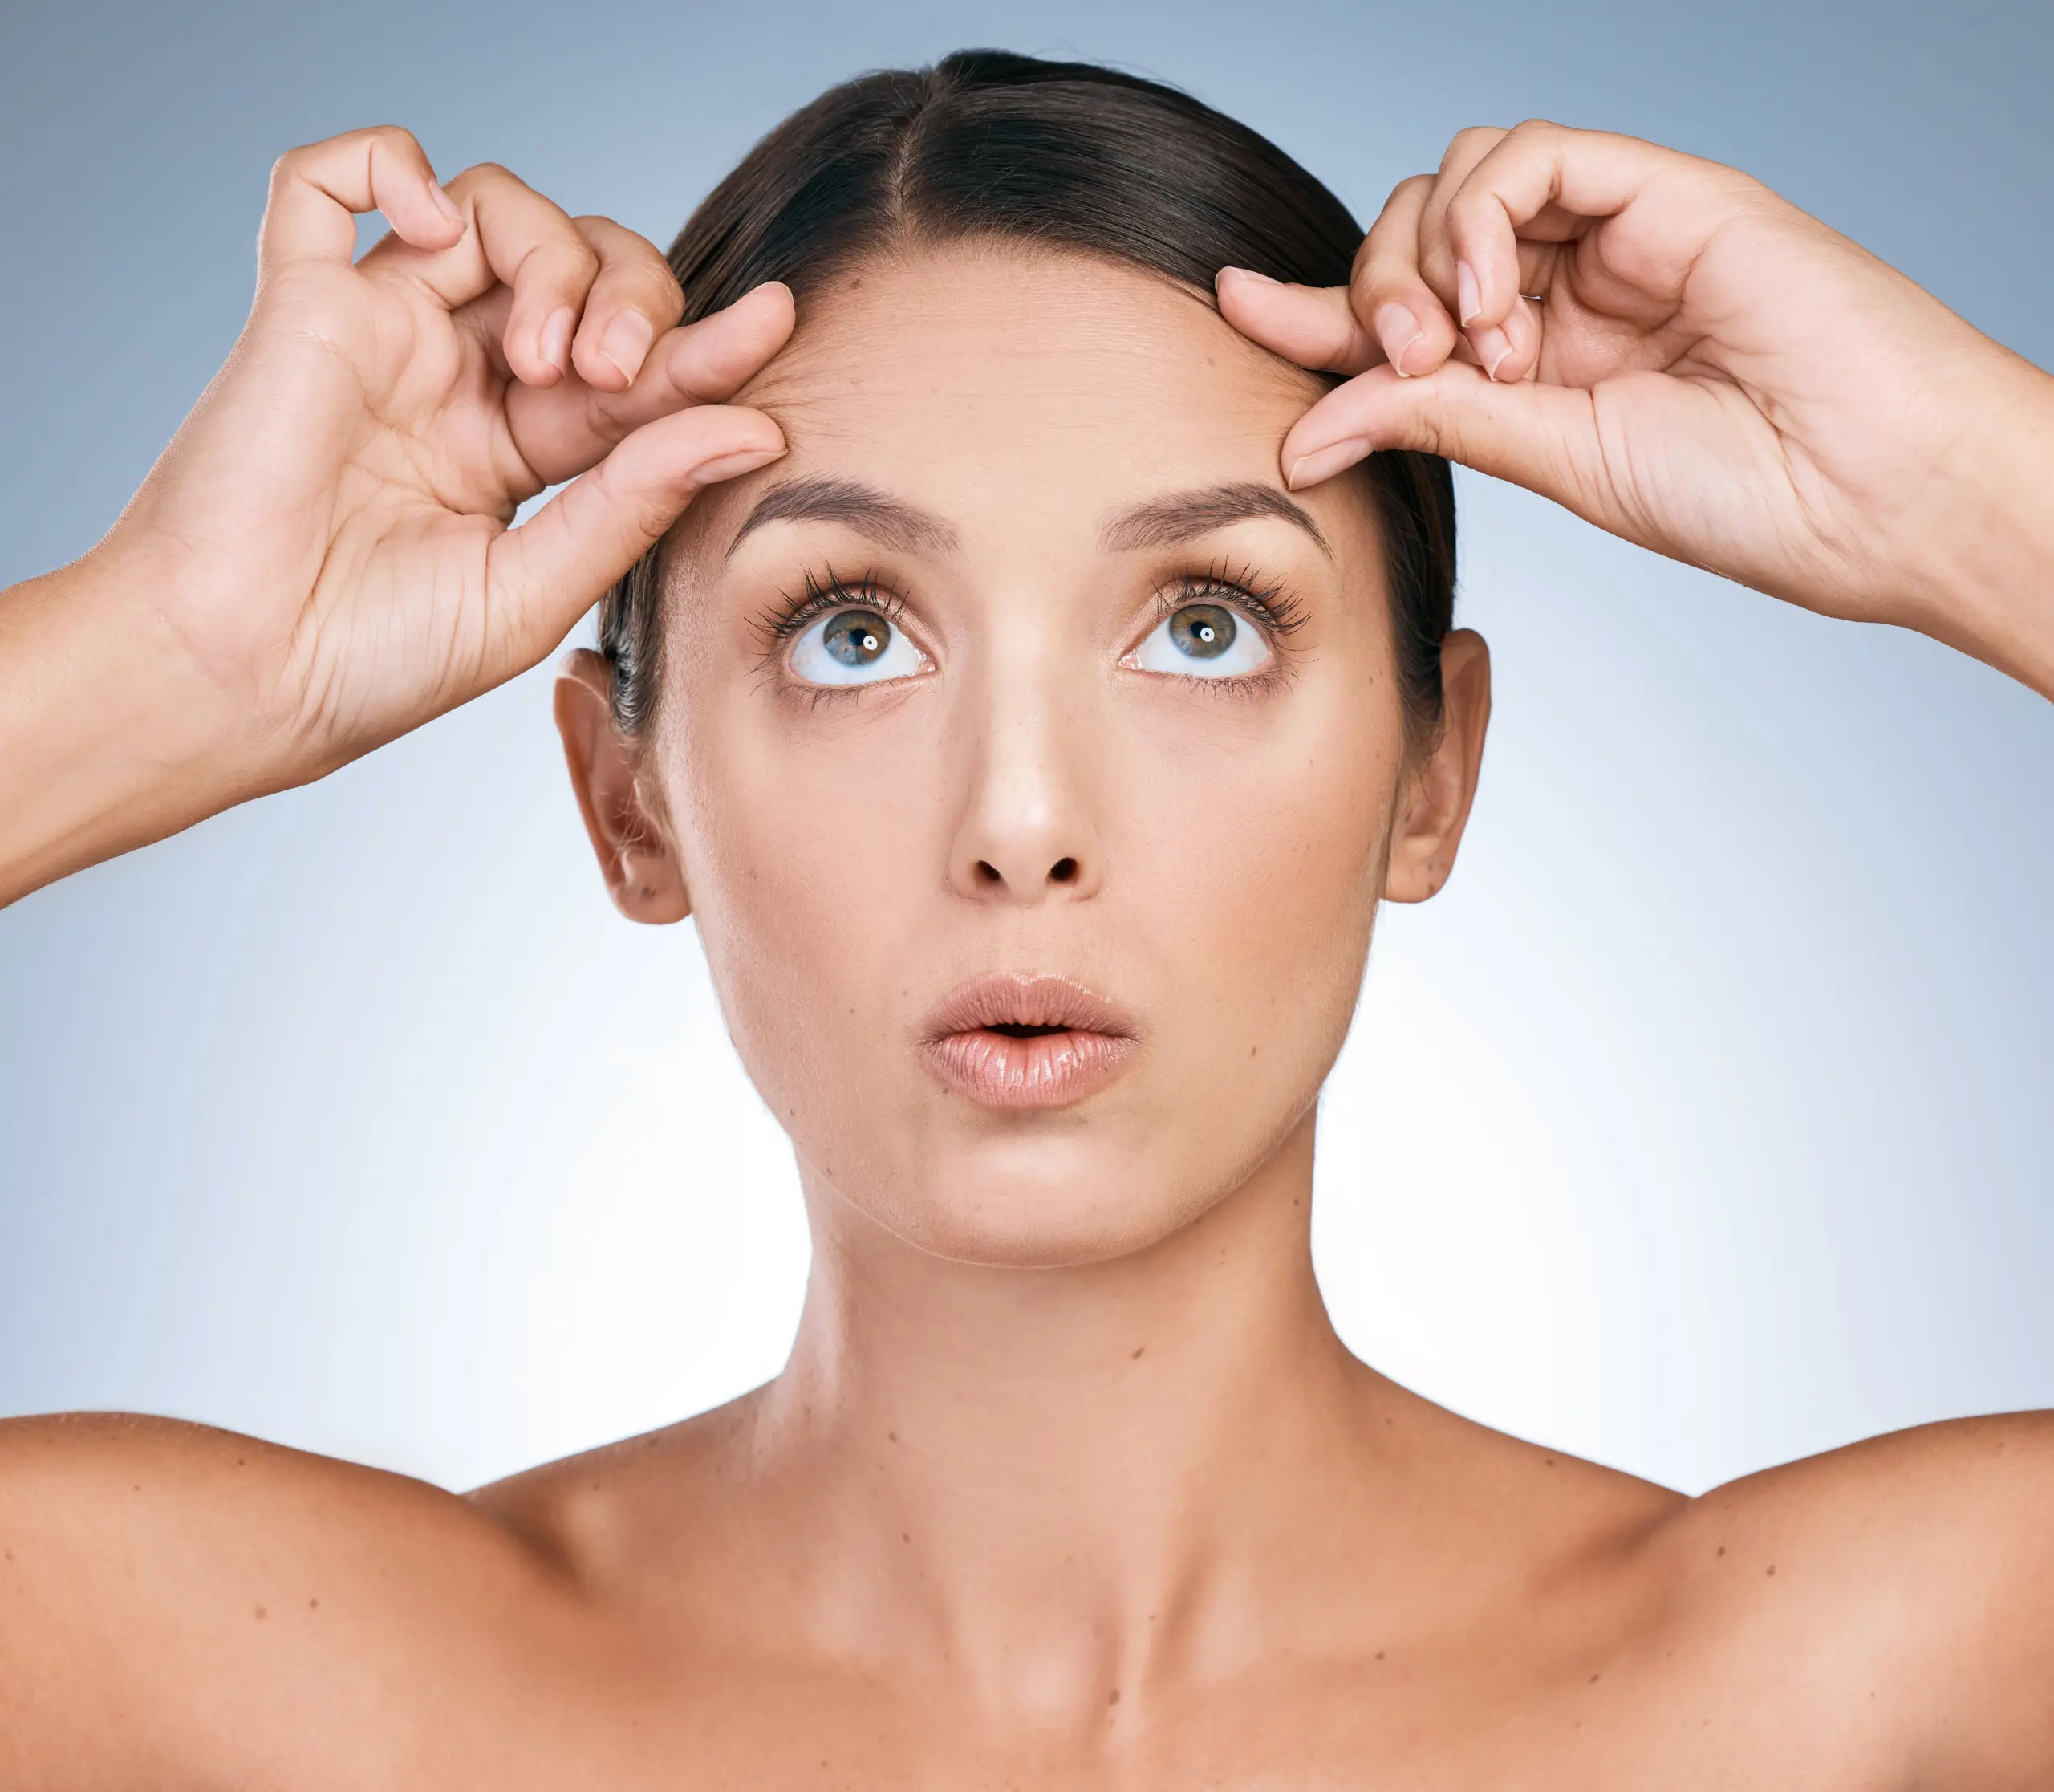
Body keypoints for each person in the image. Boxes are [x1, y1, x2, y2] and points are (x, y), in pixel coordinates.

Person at [1, 47, 2049, 1787]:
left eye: (1202, 623)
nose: (1022, 823)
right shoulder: (222, 1689)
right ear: (628, 804)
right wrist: (171, 661)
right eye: (854, 632)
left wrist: (1962, 487)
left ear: (1434, 770)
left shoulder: (1846, 1694)